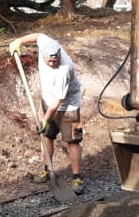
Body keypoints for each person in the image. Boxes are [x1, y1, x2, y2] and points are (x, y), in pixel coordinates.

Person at [8, 32, 84, 192]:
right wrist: (19, 41)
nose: (52, 63)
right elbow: (39, 36)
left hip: (68, 105)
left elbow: (58, 100)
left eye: (55, 60)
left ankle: (77, 178)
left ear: (59, 55)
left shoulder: (64, 69)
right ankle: (47, 169)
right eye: (49, 60)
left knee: (72, 140)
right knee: (47, 136)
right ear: (42, 55)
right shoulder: (46, 44)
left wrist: (45, 119)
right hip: (48, 100)